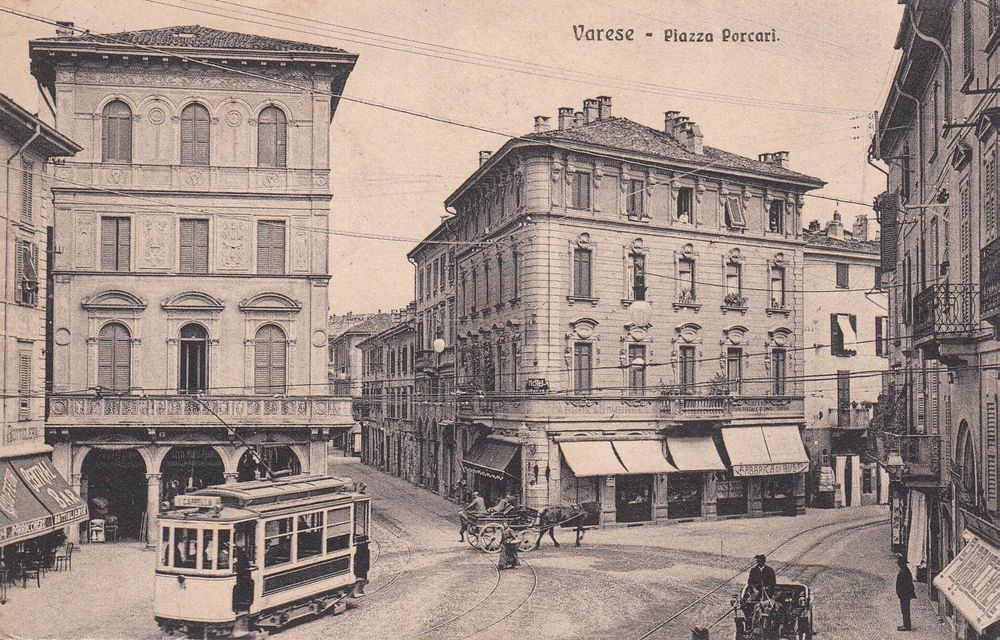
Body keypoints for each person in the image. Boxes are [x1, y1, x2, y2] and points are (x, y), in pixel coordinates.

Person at [895, 554, 916, 631]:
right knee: (904, 610)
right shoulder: (904, 571)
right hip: (903, 595)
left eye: (900, 564)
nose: (899, 565)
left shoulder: (905, 572)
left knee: (905, 610)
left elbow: (908, 585)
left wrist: (903, 594)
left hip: (905, 595)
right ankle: (905, 624)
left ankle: (907, 626)